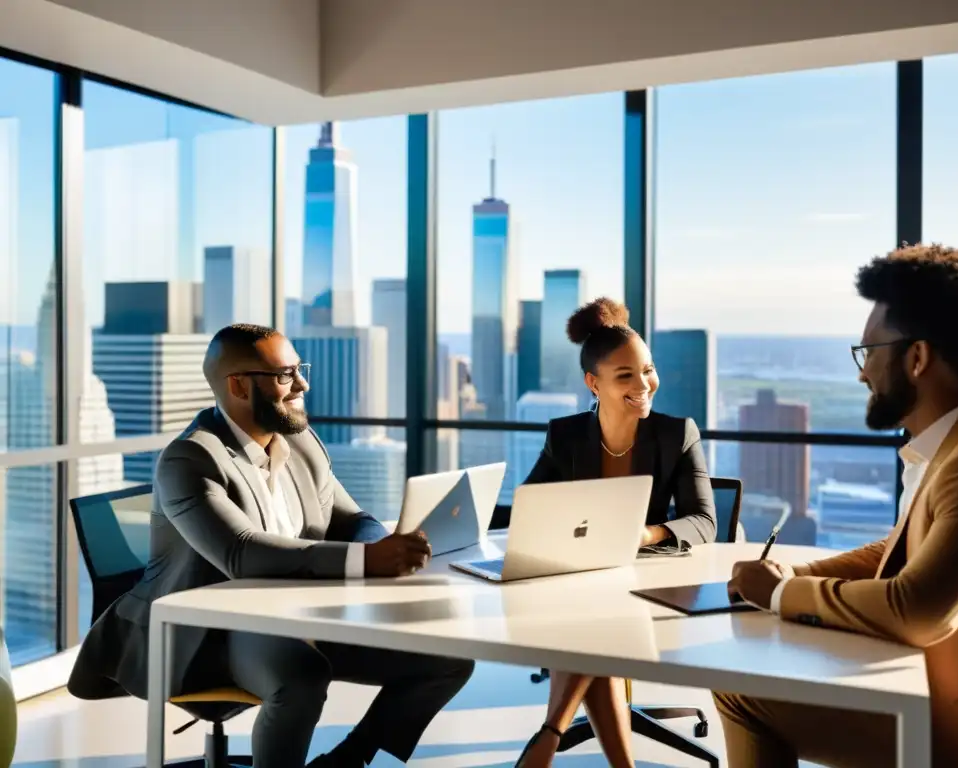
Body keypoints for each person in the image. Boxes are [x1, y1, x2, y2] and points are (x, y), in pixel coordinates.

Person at [70, 324, 474, 768]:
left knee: (448, 659)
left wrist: (382, 549)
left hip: (298, 613)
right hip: (211, 628)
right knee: (301, 675)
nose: (302, 384)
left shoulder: (300, 443)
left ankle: (345, 763)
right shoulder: (190, 458)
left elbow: (353, 519)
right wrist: (365, 560)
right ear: (239, 386)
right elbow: (240, 553)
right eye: (285, 375)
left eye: (300, 369)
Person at [719, 244, 958, 768]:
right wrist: (794, 574)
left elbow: (917, 609)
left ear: (917, 358)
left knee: (743, 693)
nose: (863, 374)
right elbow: (902, 548)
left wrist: (781, 592)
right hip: (937, 692)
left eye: (869, 353)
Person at [515, 298, 717, 768]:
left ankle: (549, 735)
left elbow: (704, 521)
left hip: (650, 585)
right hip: (582, 581)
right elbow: (529, 506)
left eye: (648, 370)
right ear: (594, 383)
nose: (644, 385)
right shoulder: (565, 436)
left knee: (591, 622)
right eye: (625, 375)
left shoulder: (676, 434)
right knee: (593, 620)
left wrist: (646, 534)